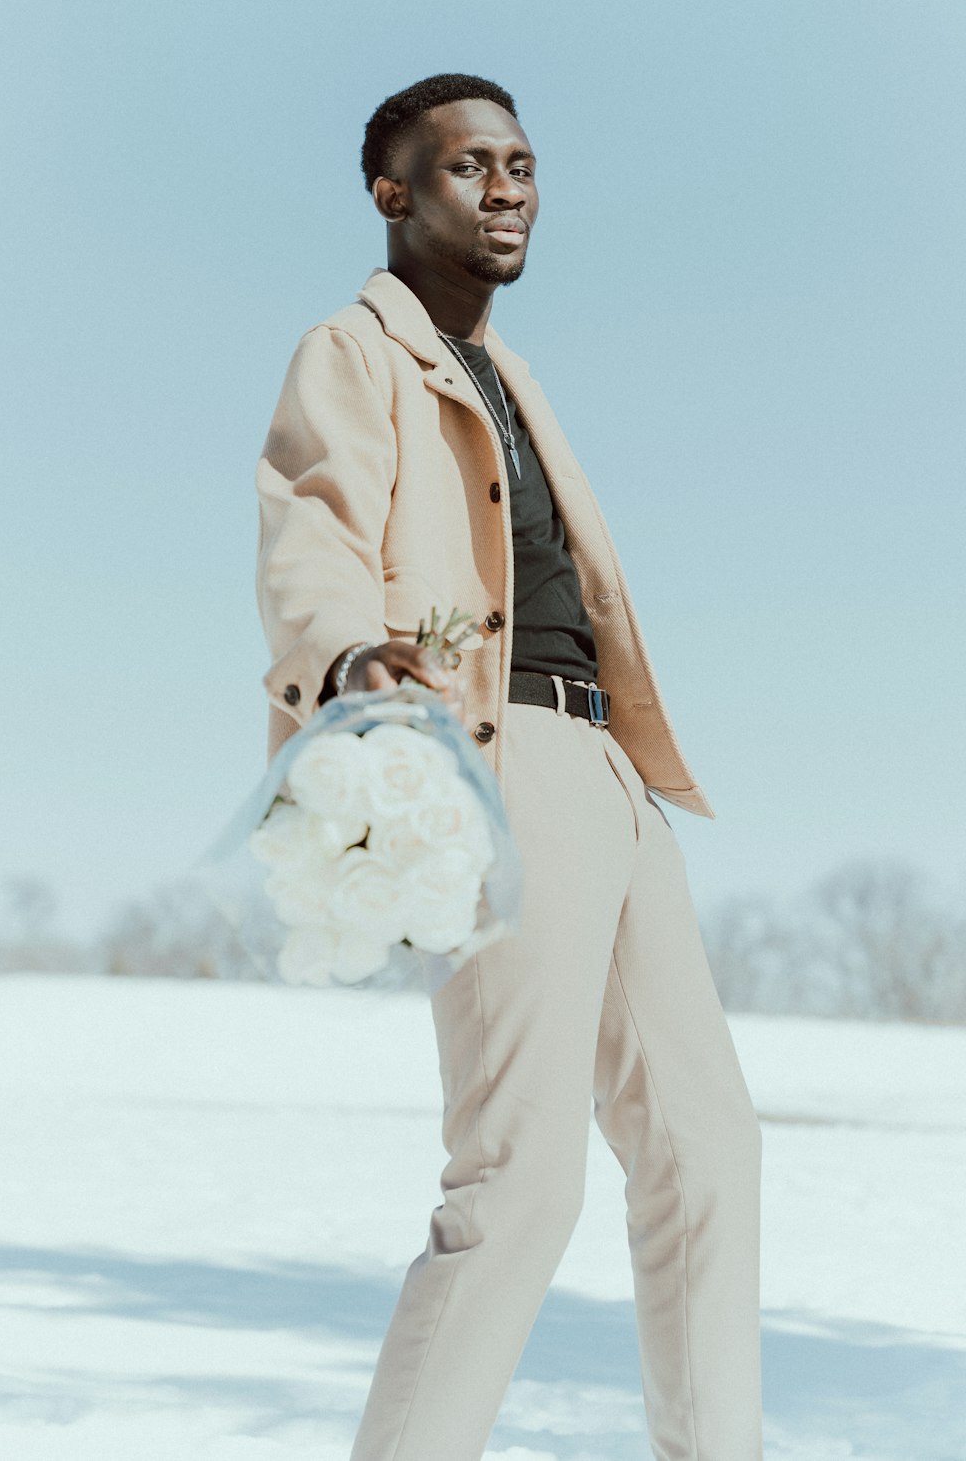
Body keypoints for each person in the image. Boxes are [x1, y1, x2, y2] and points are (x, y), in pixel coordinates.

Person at [254, 72, 763, 1461]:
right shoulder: (353, 352)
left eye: (523, 165)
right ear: (393, 191)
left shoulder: (514, 375)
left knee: (707, 1155)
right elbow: (312, 524)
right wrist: (353, 659)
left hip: (605, 766)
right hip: (495, 759)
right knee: (521, 1183)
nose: (507, 188)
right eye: (470, 165)